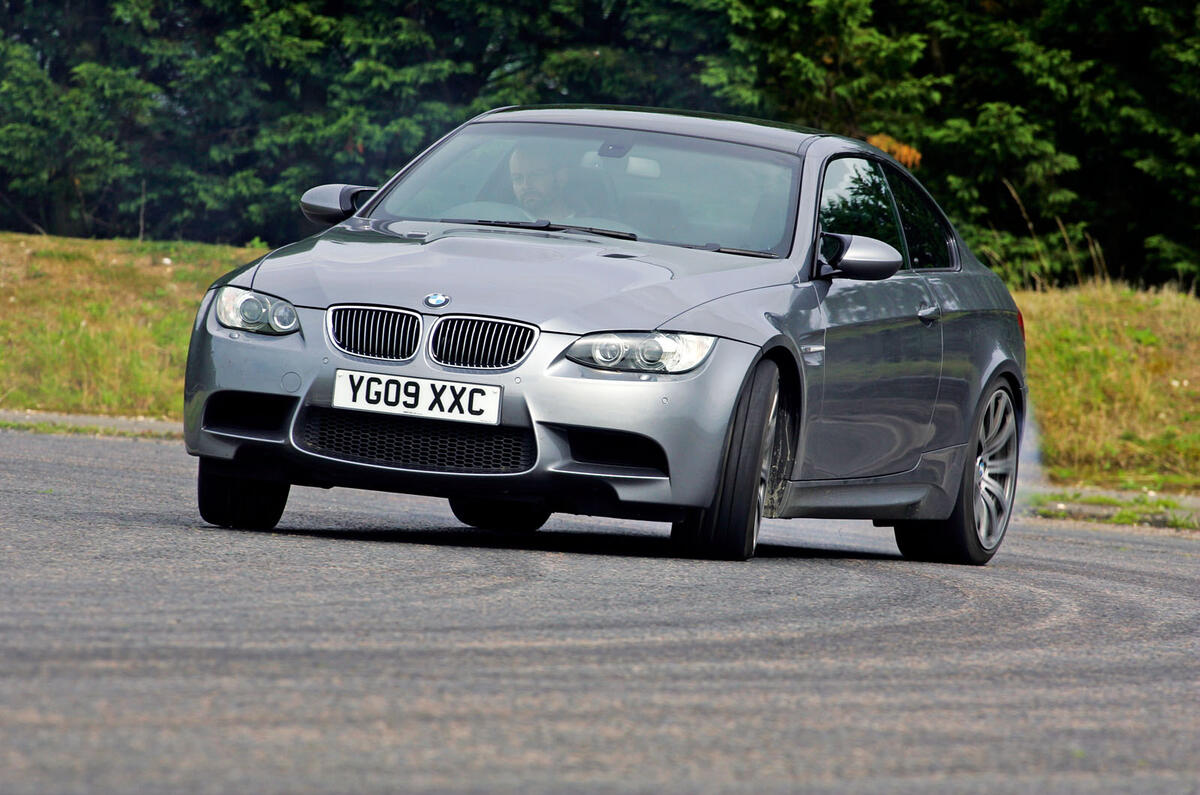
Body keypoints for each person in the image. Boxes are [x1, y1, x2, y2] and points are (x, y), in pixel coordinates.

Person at [508, 145, 575, 219]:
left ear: (561, 177)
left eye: (535, 175)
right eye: (517, 178)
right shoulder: (505, 220)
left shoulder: (586, 223)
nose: (525, 185)